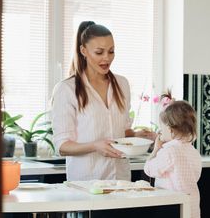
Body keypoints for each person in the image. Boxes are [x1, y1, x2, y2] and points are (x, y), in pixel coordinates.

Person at [52, 21, 152, 181]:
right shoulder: (66, 89)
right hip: (86, 184)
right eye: (99, 52)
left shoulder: (122, 84)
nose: (107, 58)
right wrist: (94, 146)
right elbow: (62, 146)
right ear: (83, 50)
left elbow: (121, 132)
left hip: (121, 182)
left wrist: (138, 135)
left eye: (111, 51)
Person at [144, 98, 202, 218]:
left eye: (162, 128)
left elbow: (149, 169)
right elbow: (197, 175)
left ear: (171, 129)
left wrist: (155, 149)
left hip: (174, 214)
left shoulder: (168, 151)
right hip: (193, 213)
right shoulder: (193, 152)